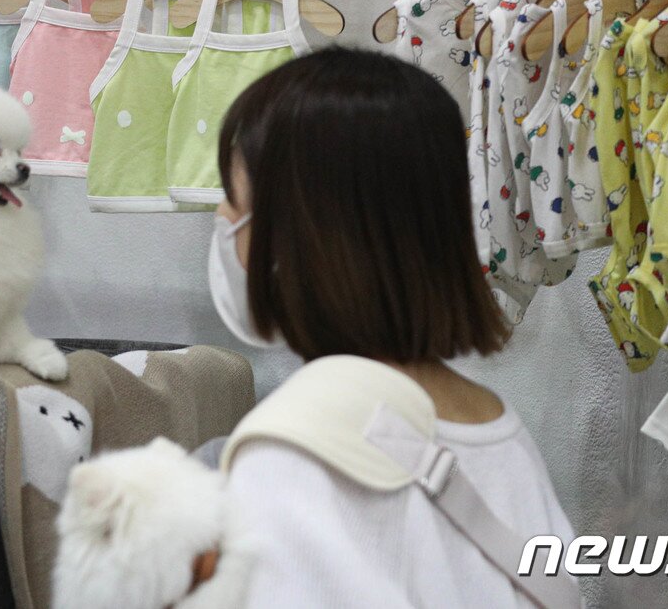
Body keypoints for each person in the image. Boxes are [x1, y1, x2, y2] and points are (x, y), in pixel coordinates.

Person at [211, 47, 577, 607]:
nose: (225, 228)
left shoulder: (290, 457)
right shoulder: (501, 434)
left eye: (234, 207)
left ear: (302, 239)